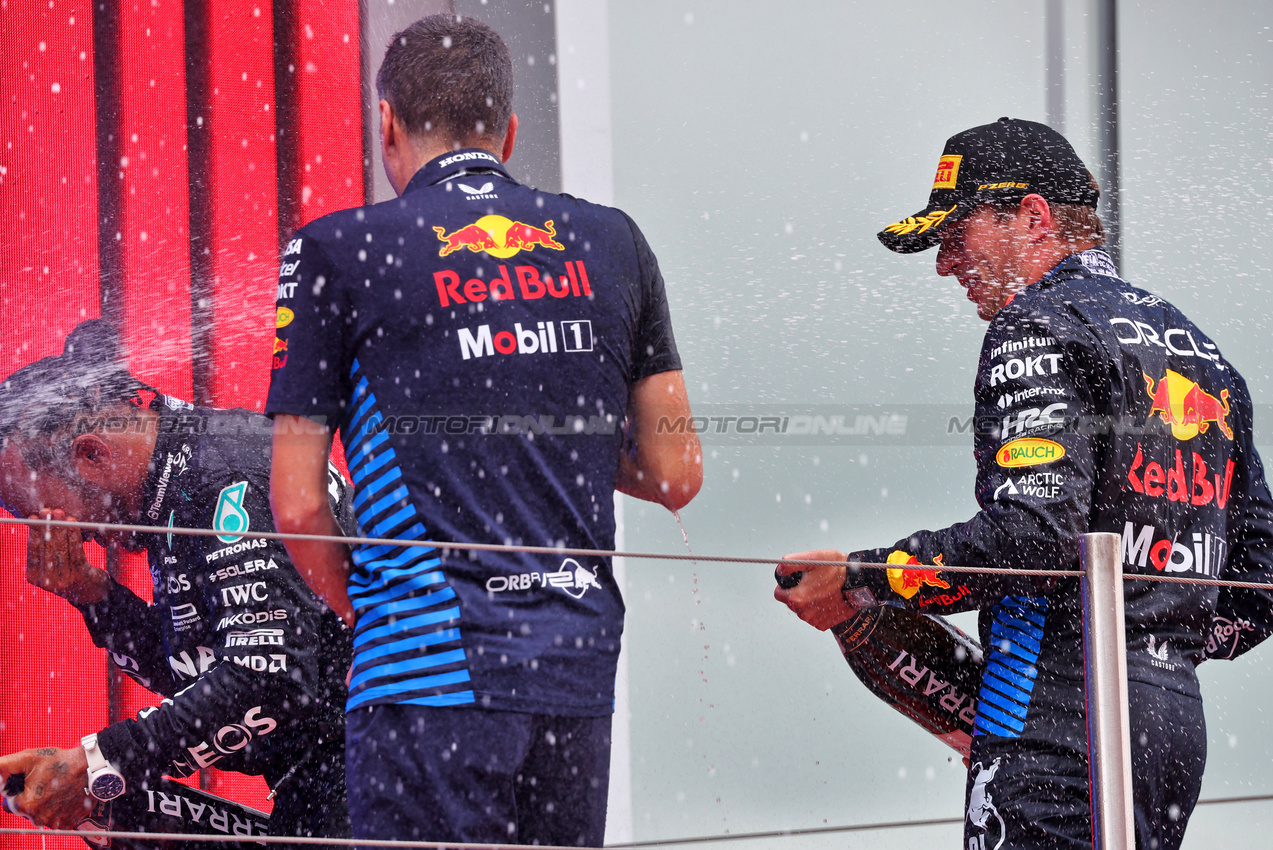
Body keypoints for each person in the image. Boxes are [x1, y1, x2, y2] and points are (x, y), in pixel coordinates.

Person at [775, 117, 1273, 850]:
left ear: (1034, 219)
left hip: (1051, 722)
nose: (944, 264)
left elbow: (1036, 539)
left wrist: (861, 580)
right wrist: (1158, 646)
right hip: (1168, 729)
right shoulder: (1196, 347)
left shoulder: (1034, 322)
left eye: (955, 233)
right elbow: (1257, 578)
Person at [264, 14, 702, 848]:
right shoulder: (612, 240)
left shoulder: (335, 248)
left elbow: (296, 503)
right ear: (507, 130)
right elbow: (676, 470)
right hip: (574, 674)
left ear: (384, 122)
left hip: (423, 676)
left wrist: (367, 613)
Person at [0, 320, 354, 846]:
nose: (67, 536)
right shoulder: (182, 477)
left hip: (367, 768)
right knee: (119, 814)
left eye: (47, 514)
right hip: (330, 773)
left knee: (111, 793)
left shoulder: (224, 478)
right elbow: (200, 676)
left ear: (92, 454)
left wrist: (101, 761)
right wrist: (94, 596)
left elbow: (269, 678)